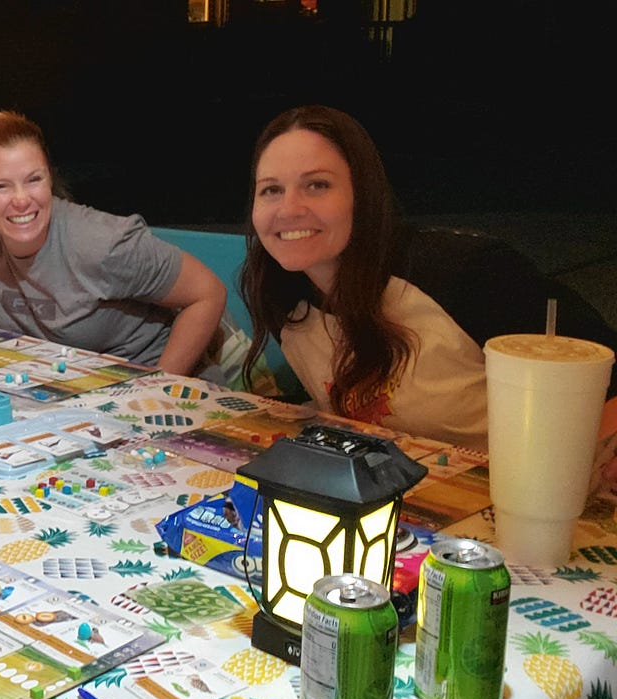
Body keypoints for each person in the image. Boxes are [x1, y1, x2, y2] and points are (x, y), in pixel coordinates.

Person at [238, 104, 617, 454]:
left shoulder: (464, 273)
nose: (289, 208)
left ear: (363, 193)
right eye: (271, 190)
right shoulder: (280, 294)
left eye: (317, 185)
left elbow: (606, 365)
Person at [0, 110, 227, 376]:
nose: (21, 200)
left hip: (150, 385)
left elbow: (208, 294)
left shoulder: (101, 243)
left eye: (33, 180)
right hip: (66, 385)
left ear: (49, 179)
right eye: (1, 186)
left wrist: (159, 382)